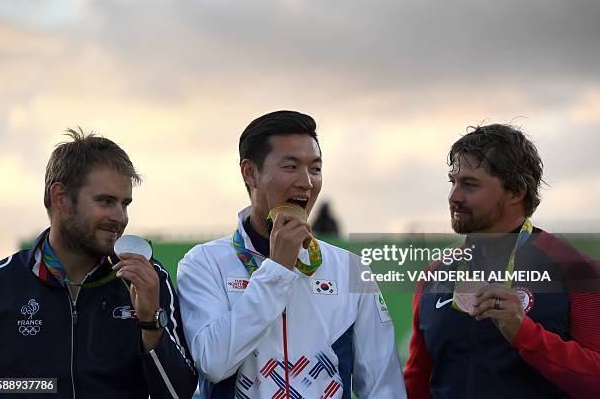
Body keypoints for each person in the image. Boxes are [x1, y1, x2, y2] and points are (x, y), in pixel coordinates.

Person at [177, 110, 406, 398]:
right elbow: (214, 363)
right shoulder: (204, 263)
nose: (307, 182)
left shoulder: (350, 269)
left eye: (316, 169)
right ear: (250, 173)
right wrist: (277, 270)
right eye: (291, 167)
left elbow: (383, 387)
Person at [0, 129, 197, 398]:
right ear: (60, 198)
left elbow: (179, 394)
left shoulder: (147, 278)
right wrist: (36, 387)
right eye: (106, 202)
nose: (120, 217)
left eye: (125, 204)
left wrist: (150, 323)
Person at [404, 124, 600, 398]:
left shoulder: (576, 271)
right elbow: (417, 382)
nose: (454, 197)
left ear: (516, 192)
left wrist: (525, 334)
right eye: (453, 182)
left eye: (470, 185)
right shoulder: (434, 274)